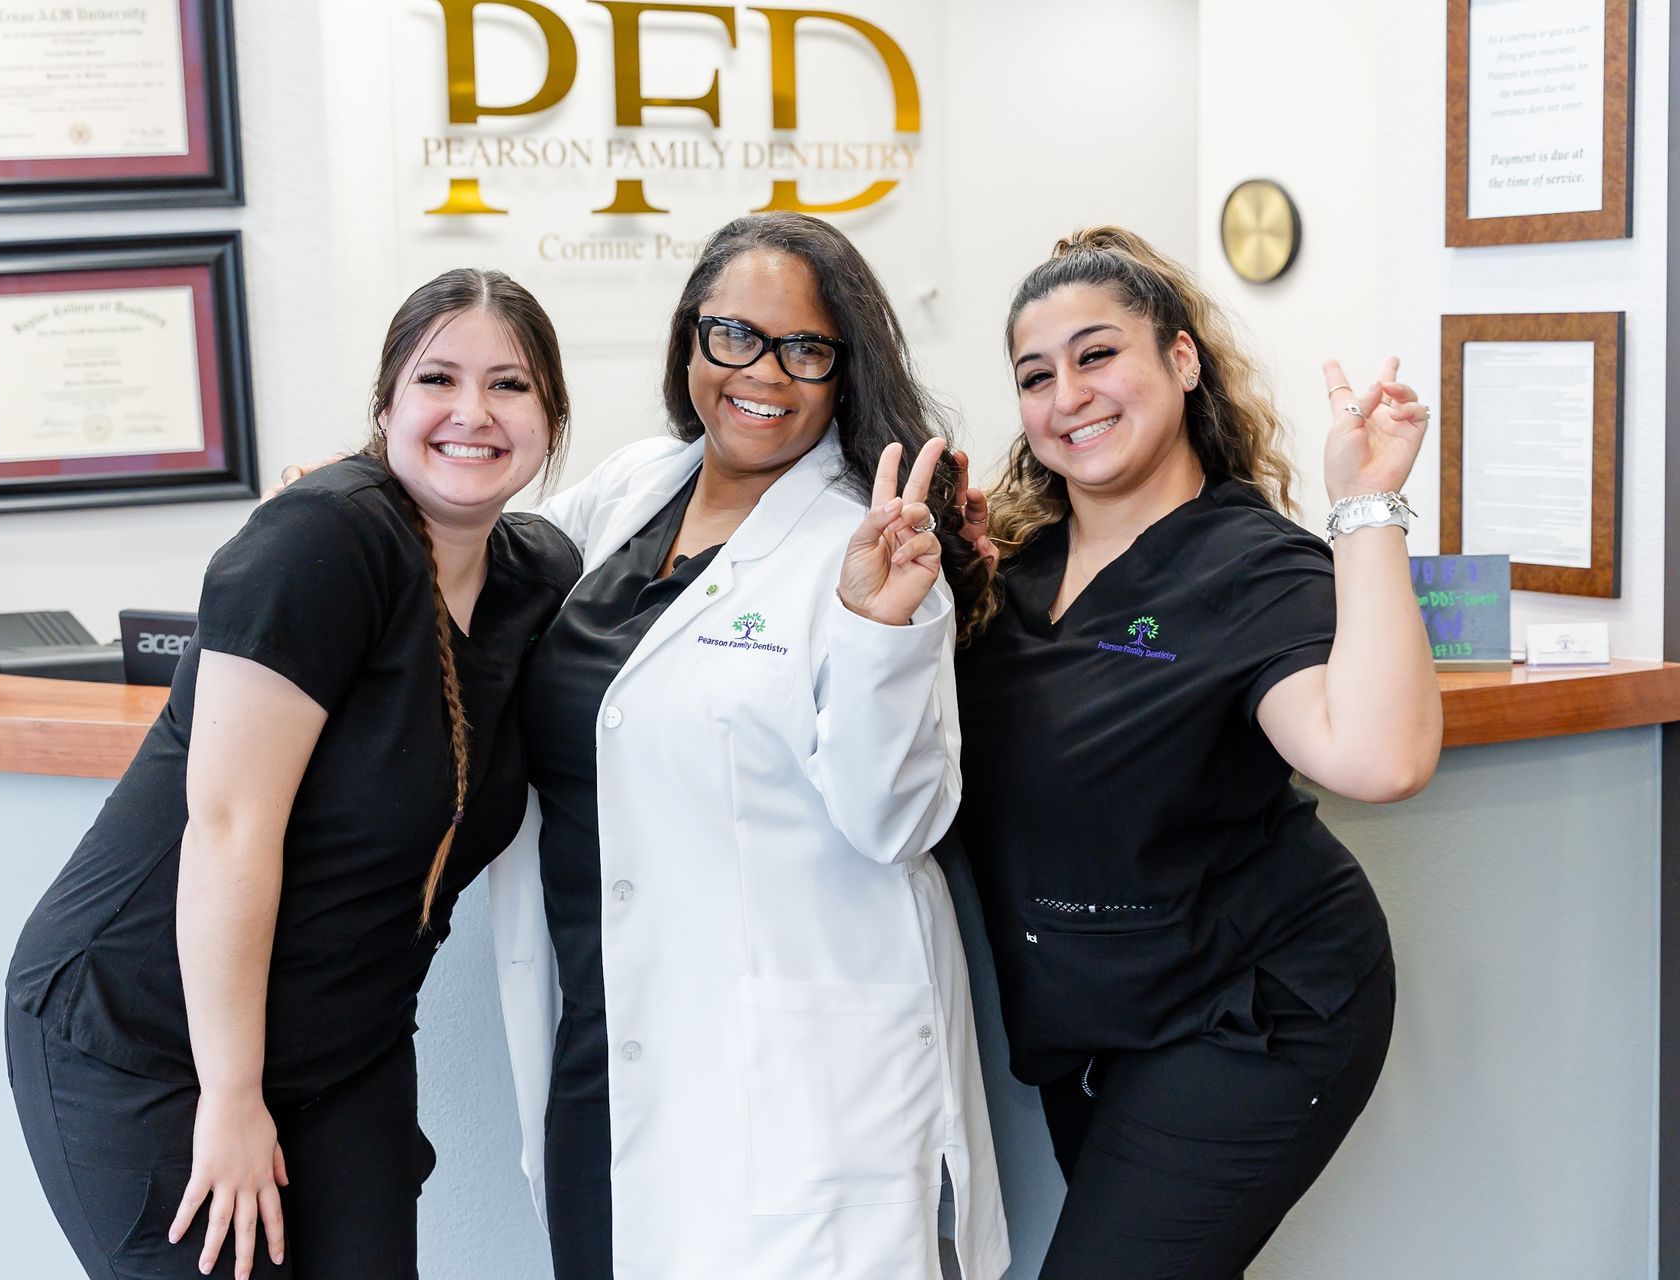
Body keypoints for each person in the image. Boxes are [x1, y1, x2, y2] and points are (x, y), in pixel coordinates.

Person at [4, 268, 581, 1280]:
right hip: (150, 1039)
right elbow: (227, 826)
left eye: (511, 385)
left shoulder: (539, 578)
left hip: (343, 1048)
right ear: (386, 407)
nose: (472, 413)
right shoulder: (322, 541)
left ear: (552, 416)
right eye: (437, 378)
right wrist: (229, 1097)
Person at [478, 212, 1009, 1278]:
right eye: (733, 335)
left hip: (798, 1079)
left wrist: (878, 628)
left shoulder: (870, 544)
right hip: (607, 1040)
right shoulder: (632, 488)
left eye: (804, 349)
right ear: (690, 342)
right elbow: (482, 565)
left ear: (844, 371)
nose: (763, 373)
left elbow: (894, 818)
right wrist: (361, 517)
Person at [952, 227, 1441, 1278]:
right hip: (1091, 1016)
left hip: (1255, 1002)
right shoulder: (1009, 567)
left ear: (1182, 360)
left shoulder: (1251, 563)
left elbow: (1380, 756)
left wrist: (1365, 502)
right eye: (1036, 374)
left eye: (1098, 355)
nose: (1067, 393)